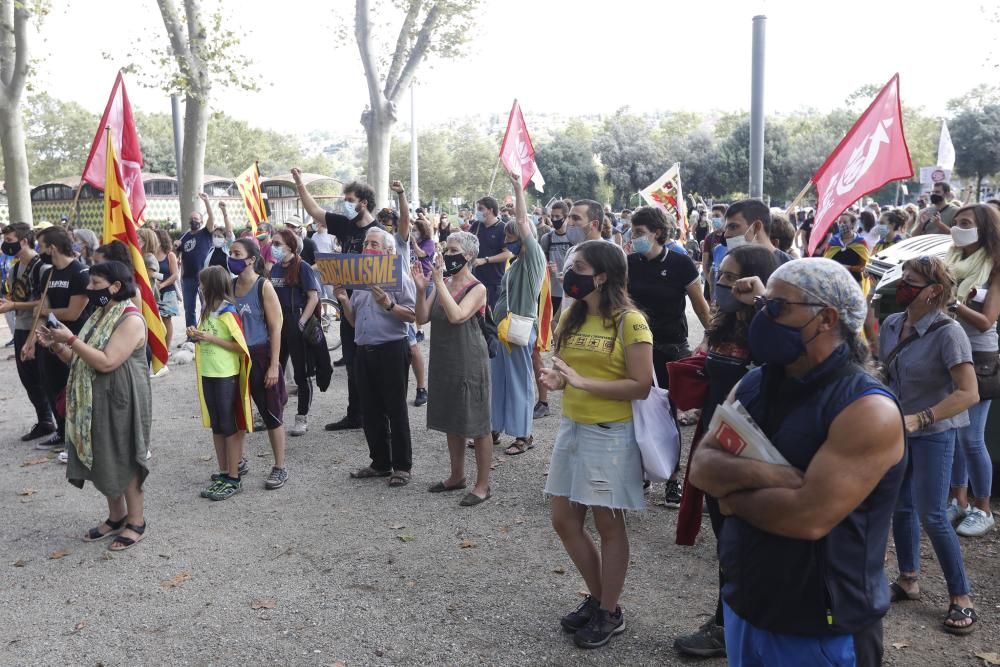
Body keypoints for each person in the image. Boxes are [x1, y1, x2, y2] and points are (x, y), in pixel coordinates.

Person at [688, 257, 907, 665]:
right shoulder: (755, 381)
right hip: (746, 604)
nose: (762, 315)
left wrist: (731, 498)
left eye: (777, 307)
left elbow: (806, 518)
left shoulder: (866, 409)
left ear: (826, 318)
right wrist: (768, 474)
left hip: (820, 626)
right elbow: (702, 465)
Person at [538, 240, 654, 650]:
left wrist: (584, 382)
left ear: (602, 276)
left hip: (610, 433)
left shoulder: (630, 321)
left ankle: (610, 611)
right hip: (573, 427)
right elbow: (567, 369)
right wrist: (557, 380)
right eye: (570, 264)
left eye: (579, 265)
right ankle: (600, 597)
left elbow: (641, 386)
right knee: (564, 520)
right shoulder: (572, 315)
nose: (569, 271)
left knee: (608, 524)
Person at [673, 245, 779, 659]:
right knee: (728, 542)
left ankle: (738, 625)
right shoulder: (724, 324)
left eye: (733, 276)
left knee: (749, 542)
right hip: (719, 444)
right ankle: (727, 621)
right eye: (721, 273)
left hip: (754, 453)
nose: (723, 282)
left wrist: (766, 307)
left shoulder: (770, 330)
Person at [880, 256, 979, 635]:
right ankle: (908, 579)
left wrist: (921, 418)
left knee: (933, 514)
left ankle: (962, 597)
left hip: (934, 433)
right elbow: (886, 371)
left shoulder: (949, 333)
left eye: (910, 281)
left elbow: (968, 393)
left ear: (934, 290)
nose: (901, 286)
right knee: (900, 507)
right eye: (901, 279)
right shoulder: (892, 324)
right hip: (896, 429)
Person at [34, 261, 151, 551]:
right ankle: (116, 517)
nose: (89, 289)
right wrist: (56, 345)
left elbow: (108, 361)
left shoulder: (131, 319)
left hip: (123, 398)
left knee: (124, 455)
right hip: (96, 397)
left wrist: (70, 339)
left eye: (96, 285)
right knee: (102, 453)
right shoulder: (101, 313)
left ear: (116, 287)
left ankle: (136, 521)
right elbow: (82, 360)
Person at [626, 206, 712, 506]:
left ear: (658, 233)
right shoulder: (629, 263)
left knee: (666, 414)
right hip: (635, 346)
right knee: (636, 412)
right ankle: (642, 472)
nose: (633, 238)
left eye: (639, 233)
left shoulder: (680, 263)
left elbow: (701, 306)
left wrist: (711, 336)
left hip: (670, 346)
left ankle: (673, 479)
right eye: (632, 232)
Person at [292, 168, 380, 432]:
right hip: (346, 301)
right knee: (352, 361)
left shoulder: (378, 233)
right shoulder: (344, 225)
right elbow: (316, 212)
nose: (346, 204)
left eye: (350, 200)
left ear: (364, 202)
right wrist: (299, 185)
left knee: (371, 362)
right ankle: (355, 415)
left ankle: (375, 414)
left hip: (372, 306)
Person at [412, 231, 493, 505]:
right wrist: (423, 288)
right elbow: (421, 318)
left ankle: (483, 484)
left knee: (478, 422)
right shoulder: (442, 282)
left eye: (454, 250)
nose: (448, 255)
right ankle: (456, 475)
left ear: (469, 255)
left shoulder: (477, 288)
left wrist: (438, 284)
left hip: (469, 360)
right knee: (451, 418)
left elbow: (457, 316)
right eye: (446, 250)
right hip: (445, 358)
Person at [335, 227, 417, 488]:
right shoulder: (359, 281)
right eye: (366, 244)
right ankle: (380, 462)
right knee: (370, 409)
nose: (367, 248)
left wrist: (389, 304)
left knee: (395, 408)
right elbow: (355, 321)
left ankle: (402, 466)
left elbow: (413, 316)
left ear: (387, 250)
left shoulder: (399, 276)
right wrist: (343, 301)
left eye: (373, 244)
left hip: (392, 348)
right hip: (364, 350)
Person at [941, 205, 1000, 537]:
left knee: (971, 438)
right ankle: (958, 501)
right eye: (956, 223)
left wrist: (952, 302)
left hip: (979, 358)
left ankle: (984, 508)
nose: (957, 228)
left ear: (984, 230)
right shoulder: (951, 262)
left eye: (965, 224)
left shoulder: (994, 268)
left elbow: (986, 320)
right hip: (951, 352)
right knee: (955, 432)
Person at [491, 173, 545, 456]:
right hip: (503, 328)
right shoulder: (515, 263)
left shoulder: (534, 258)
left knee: (520, 381)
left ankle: (524, 434)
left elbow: (523, 222)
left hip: (520, 329)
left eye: (510, 235)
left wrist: (517, 189)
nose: (507, 239)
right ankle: (495, 427)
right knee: (499, 378)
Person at [230, 239, 289, 490]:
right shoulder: (229, 285)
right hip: (235, 356)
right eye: (230, 252)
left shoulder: (263, 286)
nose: (231, 256)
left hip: (261, 354)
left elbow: (276, 328)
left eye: (237, 253)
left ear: (251, 259)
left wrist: (274, 365)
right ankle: (239, 461)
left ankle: (279, 466)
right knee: (238, 413)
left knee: (271, 413)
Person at [189, 265, 252, 501]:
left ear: (212, 286)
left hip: (226, 374)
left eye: (203, 283)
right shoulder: (207, 309)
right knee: (217, 424)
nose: (200, 287)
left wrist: (210, 338)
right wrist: (195, 334)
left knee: (229, 425)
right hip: (208, 372)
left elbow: (240, 346)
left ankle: (234, 476)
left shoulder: (229, 311)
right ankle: (224, 471)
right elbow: (205, 337)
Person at [29, 226, 93, 450]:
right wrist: (32, 339)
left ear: (53, 248)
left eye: (42, 246)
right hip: (51, 339)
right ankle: (62, 430)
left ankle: (79, 436)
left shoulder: (80, 272)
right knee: (51, 385)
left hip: (74, 339)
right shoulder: (48, 273)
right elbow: (43, 305)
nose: (39, 250)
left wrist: (44, 312)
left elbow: (73, 312)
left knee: (73, 388)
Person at [0, 223, 56, 441]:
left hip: (39, 327)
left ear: (24, 241)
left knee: (46, 378)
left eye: (10, 240)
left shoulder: (41, 267)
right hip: (21, 328)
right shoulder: (15, 269)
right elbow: (17, 299)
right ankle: (44, 421)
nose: (6, 244)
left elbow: (41, 303)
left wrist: (13, 306)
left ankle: (58, 425)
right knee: (29, 378)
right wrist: (9, 303)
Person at [269, 229, 321, 436]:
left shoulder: (303, 267)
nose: (273, 247)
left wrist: (301, 321)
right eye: (273, 243)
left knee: (301, 373)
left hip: (296, 321)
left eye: (277, 243)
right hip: (277, 323)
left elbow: (313, 297)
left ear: (290, 246)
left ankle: (302, 417)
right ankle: (274, 412)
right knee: (275, 369)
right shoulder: (274, 269)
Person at [177, 192, 216, 328]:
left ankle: (207, 330)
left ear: (201, 220)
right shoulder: (184, 236)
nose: (194, 221)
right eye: (192, 219)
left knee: (206, 306)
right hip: (187, 278)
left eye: (196, 218)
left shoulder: (206, 232)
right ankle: (191, 334)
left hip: (204, 276)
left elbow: (212, 217)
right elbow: (175, 256)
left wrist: (206, 201)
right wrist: (175, 246)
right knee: (189, 309)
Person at [721, 199, 794, 266]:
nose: (726, 234)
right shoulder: (729, 265)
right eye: (726, 228)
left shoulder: (792, 269)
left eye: (733, 227)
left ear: (756, 227)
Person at [470, 195, 513, 308]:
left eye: (481, 209)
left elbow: (508, 253)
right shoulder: (476, 225)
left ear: (490, 210)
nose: (478, 212)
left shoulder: (502, 228)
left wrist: (485, 260)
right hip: (474, 279)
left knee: (491, 318)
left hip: (494, 282)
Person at [824, 213, 871, 288]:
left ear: (852, 225)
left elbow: (864, 266)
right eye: (840, 222)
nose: (842, 224)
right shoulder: (833, 242)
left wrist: (849, 267)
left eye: (845, 222)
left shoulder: (860, 242)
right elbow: (826, 263)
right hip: (835, 283)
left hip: (854, 282)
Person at [154, 229, 180, 350]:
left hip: (168, 292)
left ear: (162, 240)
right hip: (153, 292)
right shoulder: (149, 255)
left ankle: (167, 348)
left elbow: (175, 275)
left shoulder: (170, 255)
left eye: (156, 238)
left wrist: (162, 285)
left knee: (167, 319)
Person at [702, 204, 728, 301]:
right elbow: (705, 264)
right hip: (711, 280)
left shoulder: (731, 236)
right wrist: (711, 283)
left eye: (717, 216)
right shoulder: (709, 238)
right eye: (712, 216)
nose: (714, 219)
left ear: (725, 217)